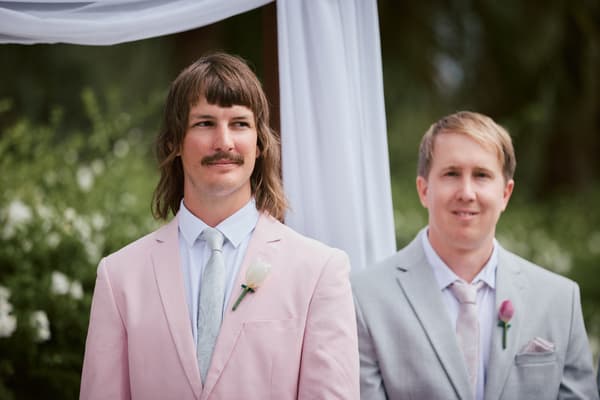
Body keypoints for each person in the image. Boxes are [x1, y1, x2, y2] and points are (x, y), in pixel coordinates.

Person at [80, 52, 359, 399]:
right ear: (173, 143)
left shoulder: (319, 271)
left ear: (259, 144)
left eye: (240, 123)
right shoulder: (119, 276)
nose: (224, 142)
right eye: (205, 123)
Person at [351, 111, 598, 400]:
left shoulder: (559, 300)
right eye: (451, 173)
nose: (466, 192)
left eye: (481, 175)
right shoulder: (364, 298)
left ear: (505, 194)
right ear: (423, 189)